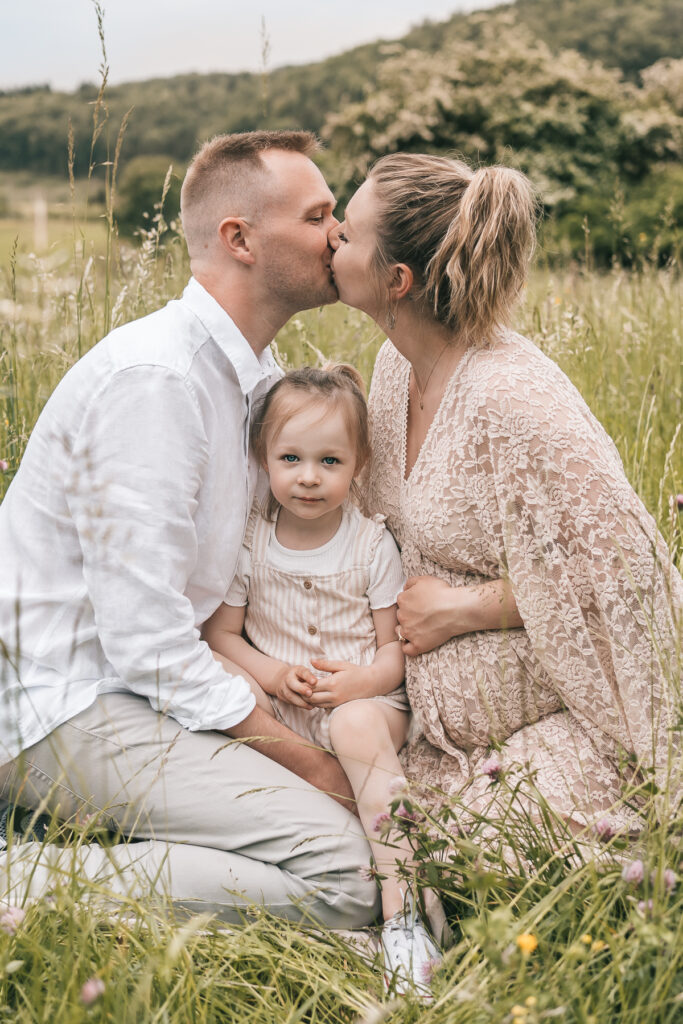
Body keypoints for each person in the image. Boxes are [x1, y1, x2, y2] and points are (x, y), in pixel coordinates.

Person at [0, 130, 382, 926]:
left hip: (139, 689)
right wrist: (306, 763)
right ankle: (26, 885)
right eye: (317, 216)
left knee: (356, 824)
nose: (338, 233)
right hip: (63, 701)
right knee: (345, 868)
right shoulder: (158, 380)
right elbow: (146, 640)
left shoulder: (261, 384)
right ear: (238, 239)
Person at [329, 153, 683, 836]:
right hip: (438, 724)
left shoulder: (512, 399)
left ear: (395, 280)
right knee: (362, 830)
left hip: (583, 724)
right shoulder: (393, 369)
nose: (329, 243)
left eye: (345, 234)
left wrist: (465, 609)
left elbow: (634, 577)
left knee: (452, 853)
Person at [203, 364, 439, 995]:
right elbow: (220, 636)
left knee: (356, 724)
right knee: (227, 681)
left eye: (330, 461)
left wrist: (359, 684)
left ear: (358, 465)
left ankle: (404, 915)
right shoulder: (252, 541)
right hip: (287, 709)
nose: (309, 477)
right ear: (263, 459)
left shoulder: (370, 546)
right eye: (292, 458)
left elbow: (396, 656)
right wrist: (272, 673)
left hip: (366, 706)